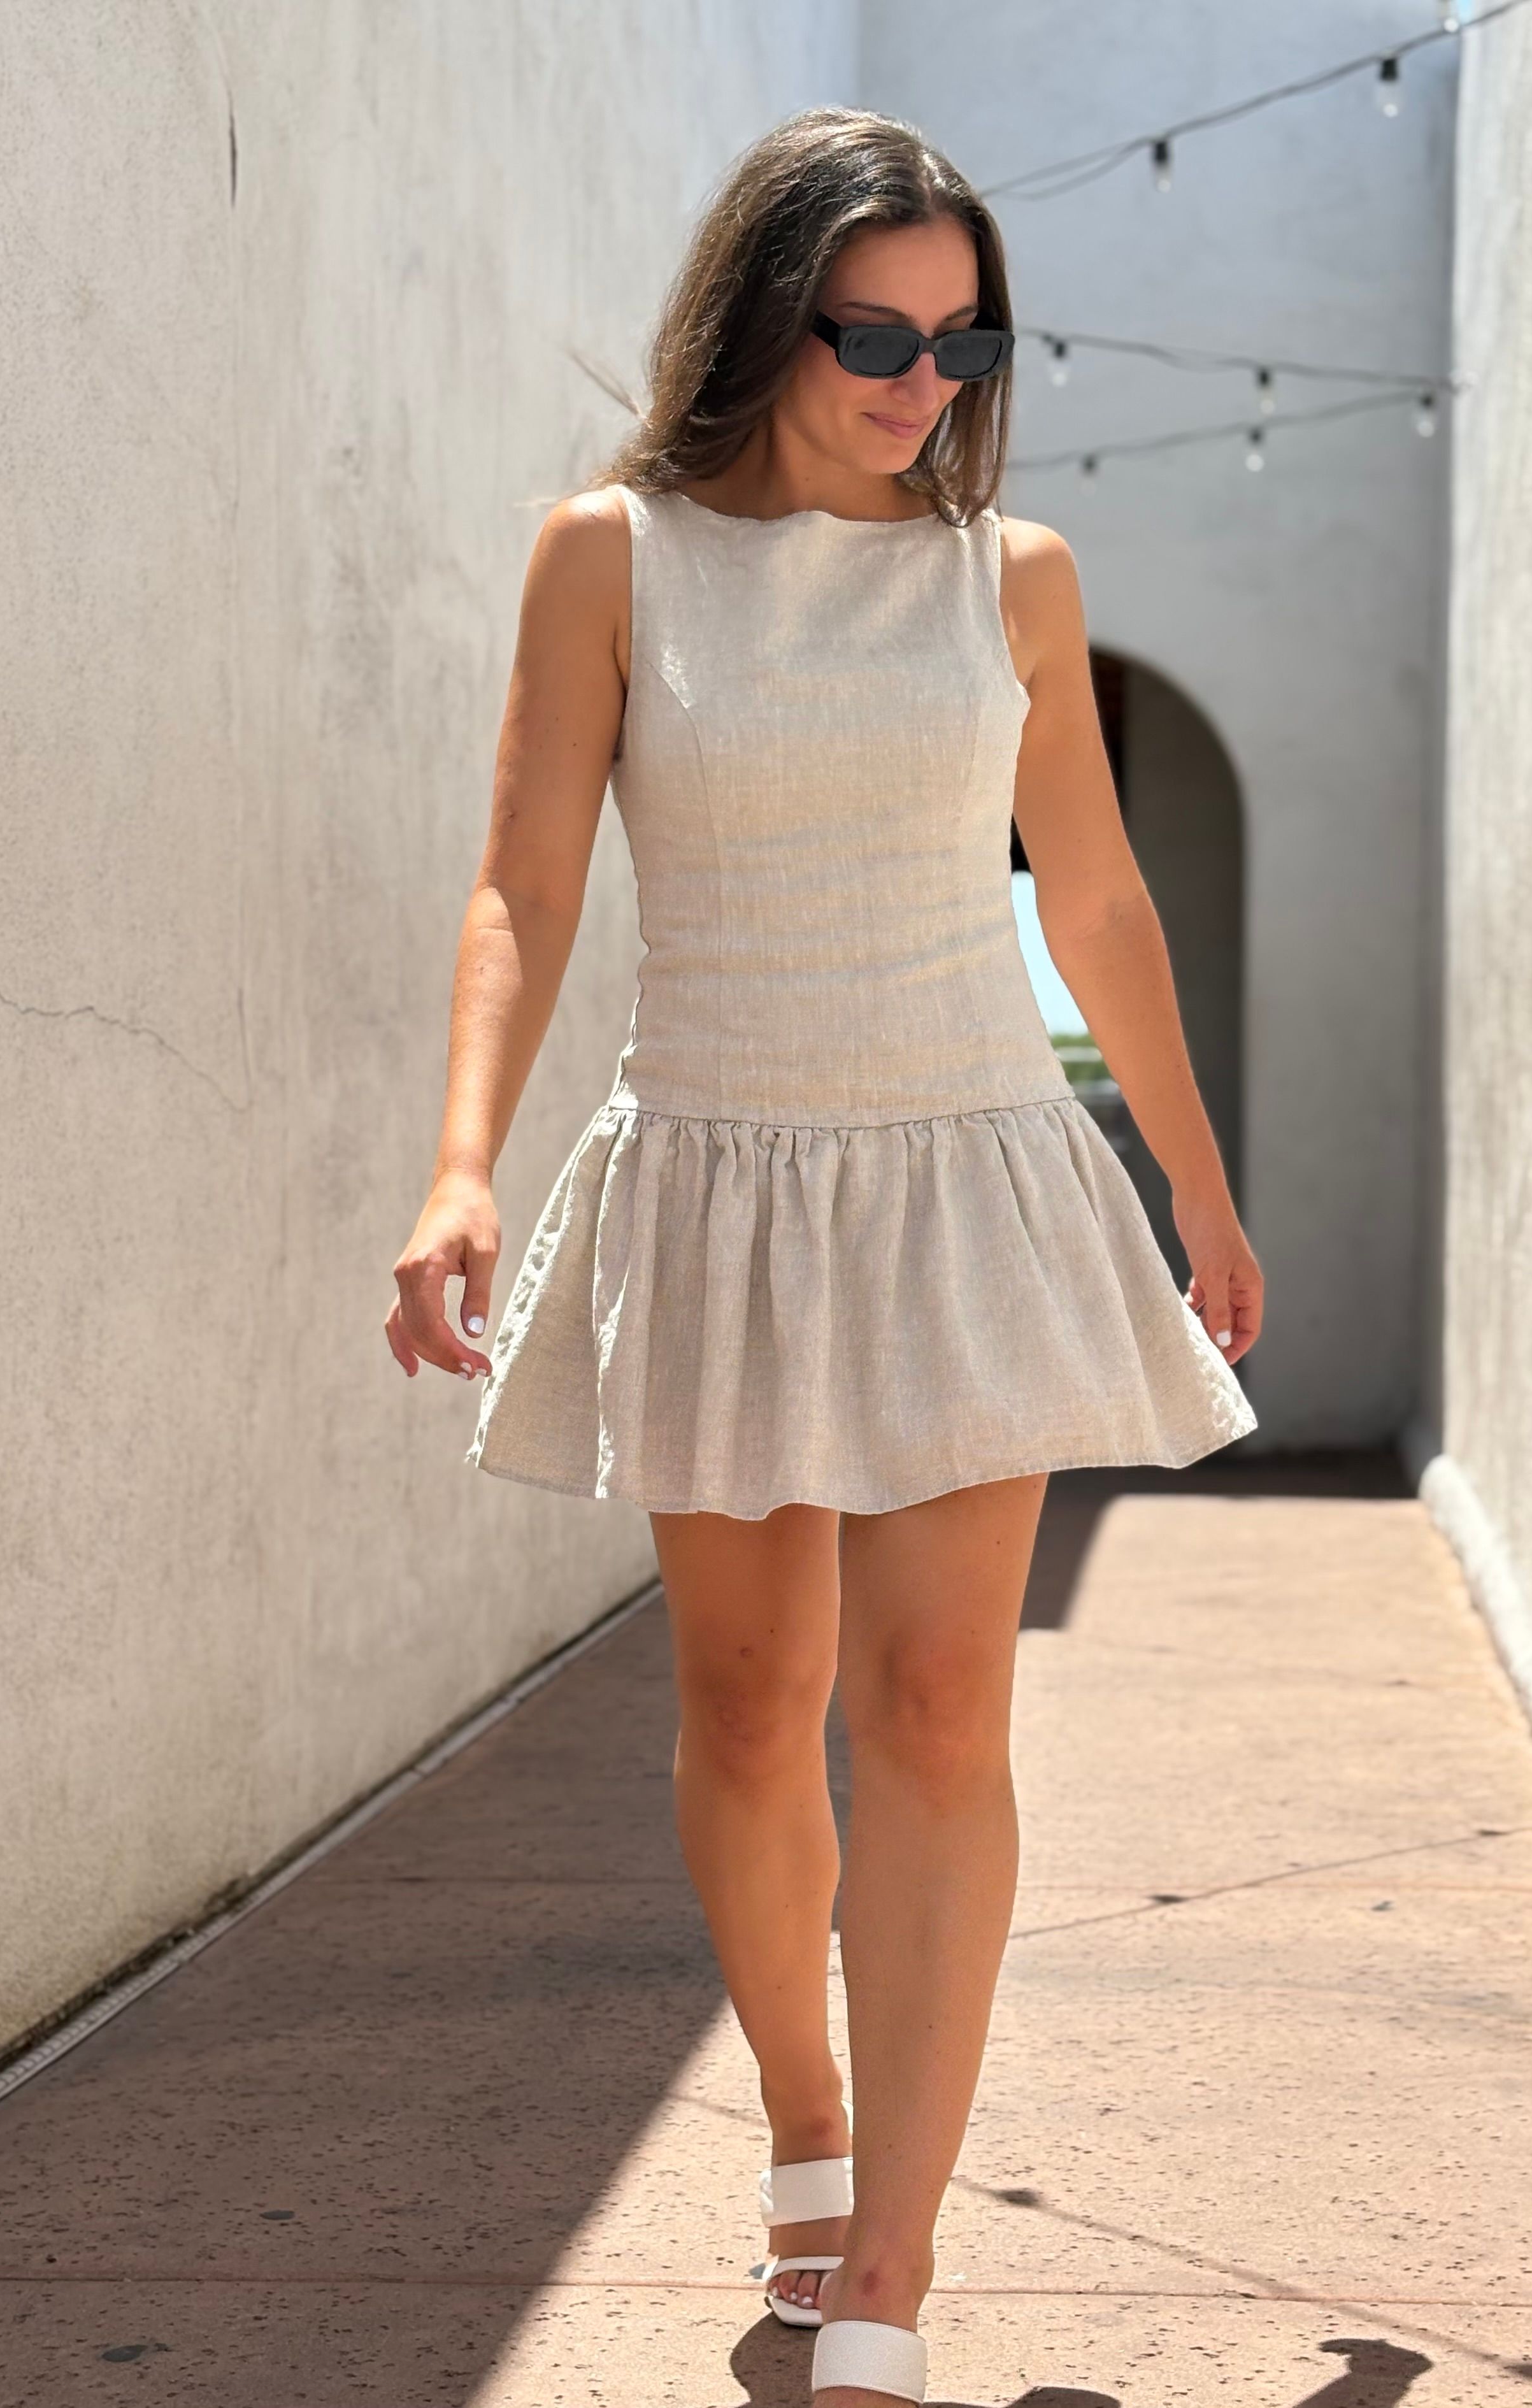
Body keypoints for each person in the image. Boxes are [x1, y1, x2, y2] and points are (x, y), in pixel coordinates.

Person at [386, 103, 1262, 2408]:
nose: (921, 379)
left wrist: (1194, 1176)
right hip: (722, 1179)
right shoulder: (614, 557)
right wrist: (462, 1161)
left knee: (941, 1708)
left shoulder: (1015, 581)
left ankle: (893, 2253)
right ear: (766, 312)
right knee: (754, 1704)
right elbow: (525, 884)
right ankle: (800, 2108)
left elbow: (1094, 897)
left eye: (964, 339)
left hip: (971, 1176)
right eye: (875, 328)